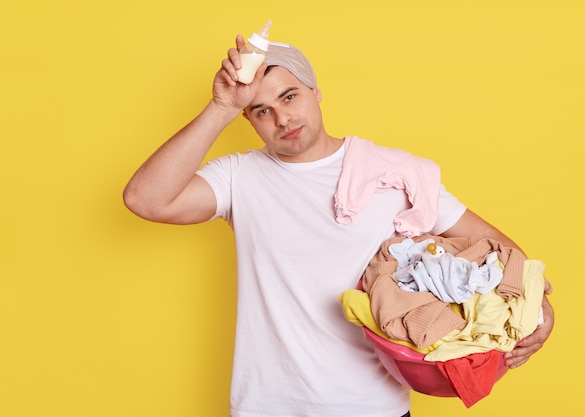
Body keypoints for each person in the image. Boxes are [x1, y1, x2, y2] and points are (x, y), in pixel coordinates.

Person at [123, 34, 554, 417]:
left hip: (371, 406)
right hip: (265, 405)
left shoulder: (392, 172)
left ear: (315, 91)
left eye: (290, 97)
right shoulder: (239, 176)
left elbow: (497, 247)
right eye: (261, 110)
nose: (282, 119)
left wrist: (539, 312)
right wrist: (221, 107)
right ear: (248, 120)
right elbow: (145, 199)